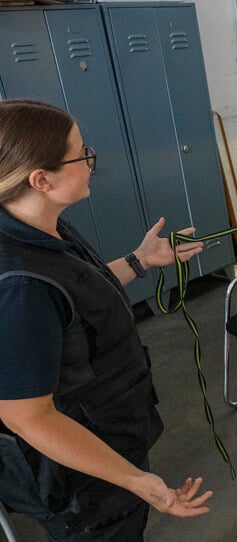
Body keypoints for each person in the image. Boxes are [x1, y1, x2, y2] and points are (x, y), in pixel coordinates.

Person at [0, 99, 212, 540]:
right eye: (81, 155)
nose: (91, 162)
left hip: (106, 436)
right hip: (80, 478)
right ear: (41, 180)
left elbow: (74, 302)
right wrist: (136, 481)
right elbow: (28, 417)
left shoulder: (38, 226)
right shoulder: (20, 286)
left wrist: (138, 262)